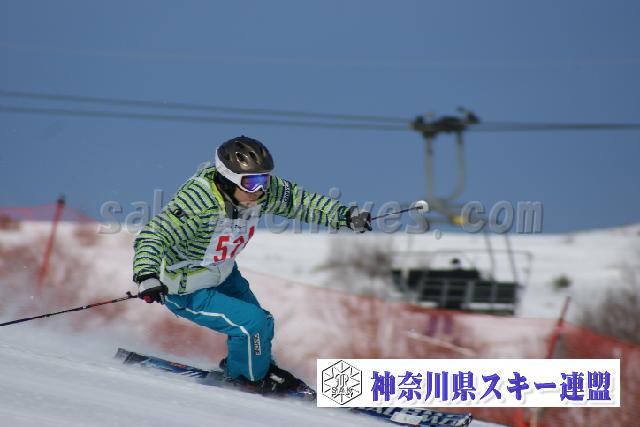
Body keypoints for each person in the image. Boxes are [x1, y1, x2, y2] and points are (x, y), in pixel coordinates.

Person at [132, 135, 371, 394]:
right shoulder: (198, 203)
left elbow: (299, 201)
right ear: (227, 179)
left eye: (264, 179)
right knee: (252, 325)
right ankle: (248, 380)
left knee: (262, 325)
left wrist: (344, 216)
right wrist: (146, 275)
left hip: (223, 274)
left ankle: (251, 368)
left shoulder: (257, 193)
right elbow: (154, 235)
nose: (259, 189)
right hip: (186, 288)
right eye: (251, 181)